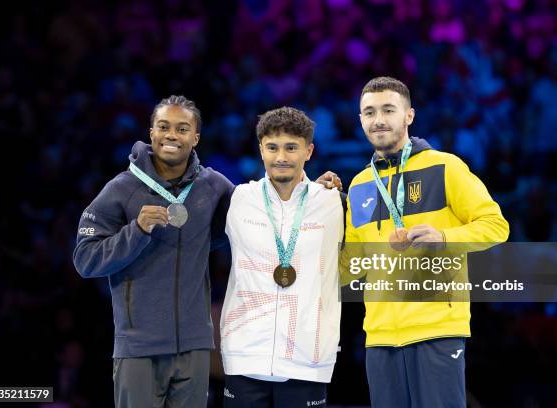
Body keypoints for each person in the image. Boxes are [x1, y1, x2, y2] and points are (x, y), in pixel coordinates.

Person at [73, 96, 342, 408]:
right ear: (151, 132)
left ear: (195, 137)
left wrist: (311, 192)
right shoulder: (121, 188)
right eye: (164, 127)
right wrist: (136, 231)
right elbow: (85, 259)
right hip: (139, 344)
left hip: (195, 348)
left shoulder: (214, 187)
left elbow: (272, 209)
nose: (172, 135)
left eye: (182, 128)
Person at [344, 77, 509, 407]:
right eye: (369, 112)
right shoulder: (360, 184)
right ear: (360, 119)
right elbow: (349, 267)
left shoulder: (445, 166)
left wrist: (445, 237)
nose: (378, 120)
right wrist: (315, 215)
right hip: (379, 335)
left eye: (389, 110)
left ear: (409, 115)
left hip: (437, 328)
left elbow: (496, 226)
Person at [220, 107, 344, 407]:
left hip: (308, 358)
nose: (281, 157)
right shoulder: (238, 198)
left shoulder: (335, 203)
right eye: (272, 147)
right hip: (244, 355)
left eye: (291, 148)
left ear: (309, 151)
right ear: (261, 149)